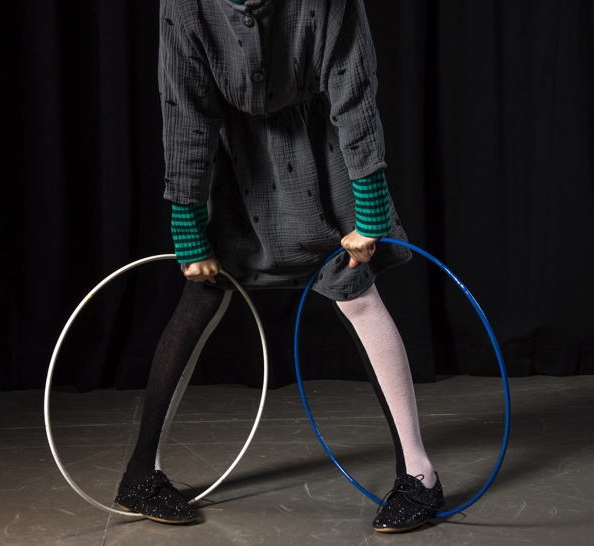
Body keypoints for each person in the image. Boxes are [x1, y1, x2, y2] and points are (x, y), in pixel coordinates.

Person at [114, 0, 444, 533]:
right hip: (234, 162)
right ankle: (139, 474)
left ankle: (419, 475)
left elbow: (354, 91)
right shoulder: (185, 5)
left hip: (320, 149)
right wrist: (188, 228)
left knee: (356, 289)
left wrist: (370, 211)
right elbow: (185, 109)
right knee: (203, 292)